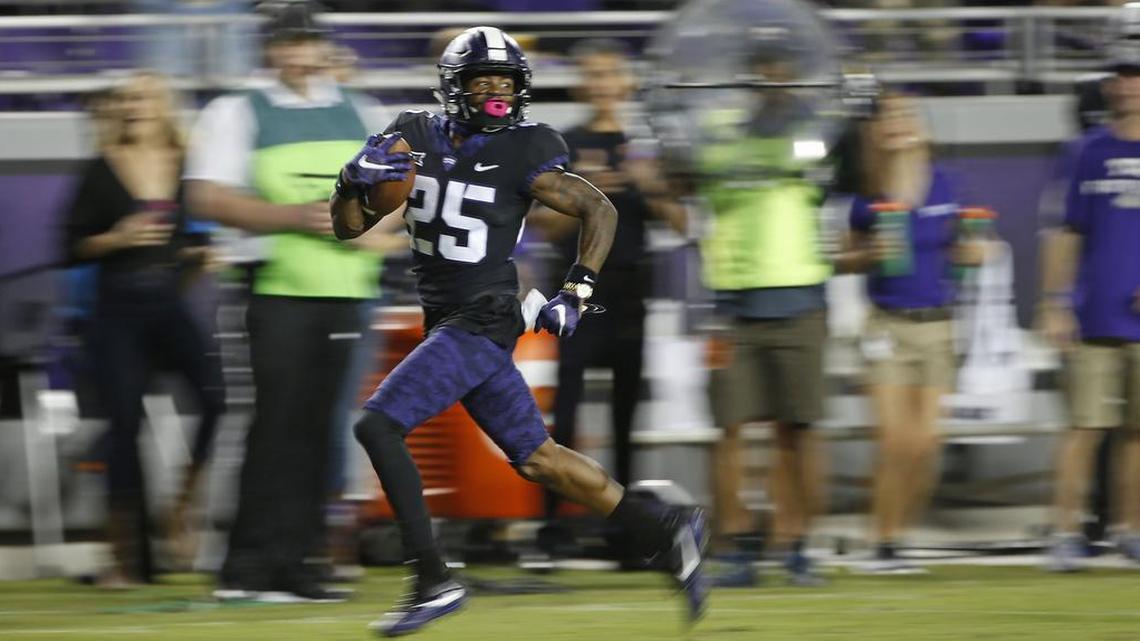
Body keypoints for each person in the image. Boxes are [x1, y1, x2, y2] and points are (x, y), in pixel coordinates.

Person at [330, 27, 709, 636]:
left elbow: (599, 207)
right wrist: (350, 182)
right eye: (482, 82)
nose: (496, 94)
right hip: (449, 320)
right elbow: (350, 227)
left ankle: (432, 580)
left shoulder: (525, 146)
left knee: (377, 424)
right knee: (540, 460)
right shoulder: (414, 133)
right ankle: (664, 531)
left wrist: (577, 291)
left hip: (484, 318)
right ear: (454, 87)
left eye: (505, 84)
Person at [184, 1, 398, 601]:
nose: (298, 54)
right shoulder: (236, 110)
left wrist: (375, 224)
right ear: (269, 49)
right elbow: (205, 197)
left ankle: (300, 561)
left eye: (306, 42)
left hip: (347, 291)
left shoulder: (361, 108)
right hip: (274, 287)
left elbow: (396, 193)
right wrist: (293, 217)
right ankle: (248, 566)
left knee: (322, 429)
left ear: (322, 46)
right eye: (286, 43)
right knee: (277, 424)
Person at [63, 71, 225, 587]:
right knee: (125, 425)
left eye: (144, 97)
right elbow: (71, 246)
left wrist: (196, 258)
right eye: (127, 99)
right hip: (116, 307)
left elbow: (187, 244)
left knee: (216, 398)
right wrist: (118, 237)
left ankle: (180, 505)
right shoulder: (101, 166)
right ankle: (126, 556)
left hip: (168, 302)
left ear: (163, 105)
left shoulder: (185, 162)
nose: (134, 106)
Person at [531, 38, 687, 529]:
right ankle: (555, 526)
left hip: (630, 292)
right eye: (593, 74)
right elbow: (543, 225)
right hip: (577, 293)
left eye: (610, 74)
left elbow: (682, 221)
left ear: (626, 83)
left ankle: (626, 527)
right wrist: (585, 196)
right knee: (567, 412)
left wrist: (647, 183)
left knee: (626, 415)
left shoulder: (646, 147)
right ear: (582, 83)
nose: (601, 84)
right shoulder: (564, 145)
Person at [841, 93, 984, 573]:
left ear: (924, 127)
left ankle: (897, 535)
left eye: (908, 115)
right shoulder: (868, 193)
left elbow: (970, 245)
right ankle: (882, 543)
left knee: (925, 445)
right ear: (878, 131)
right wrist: (868, 255)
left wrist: (976, 253)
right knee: (895, 441)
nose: (900, 123)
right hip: (887, 327)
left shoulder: (948, 183)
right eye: (891, 117)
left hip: (939, 326)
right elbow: (844, 258)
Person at [1038, 38, 1140, 572]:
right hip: (1093, 312)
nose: (1127, 84)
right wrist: (1055, 303)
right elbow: (1065, 232)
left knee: (1137, 433)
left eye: (1135, 75)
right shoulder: (1084, 151)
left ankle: (1129, 530)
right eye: (1119, 76)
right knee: (1083, 429)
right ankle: (1064, 532)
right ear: (1107, 86)